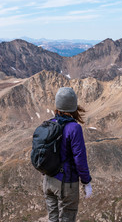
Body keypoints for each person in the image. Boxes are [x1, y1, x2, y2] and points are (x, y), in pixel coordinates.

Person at [43, 87, 92, 222]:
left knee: (52, 219)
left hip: (48, 181)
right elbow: (79, 159)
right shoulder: (74, 128)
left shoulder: (50, 124)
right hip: (66, 183)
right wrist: (86, 181)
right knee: (67, 217)